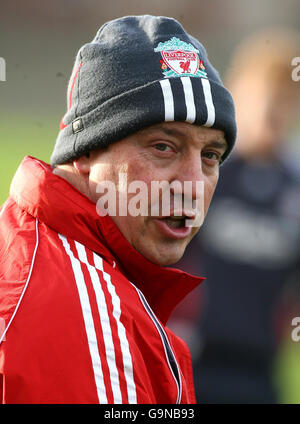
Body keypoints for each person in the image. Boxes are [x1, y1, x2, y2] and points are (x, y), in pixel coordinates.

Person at [0, 15, 236, 404]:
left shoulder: (27, 241)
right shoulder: (86, 315)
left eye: (211, 155)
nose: (192, 184)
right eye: (164, 146)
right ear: (87, 150)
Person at [173, 28, 300, 403]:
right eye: (262, 97)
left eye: (284, 100)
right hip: (190, 360)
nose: (270, 111)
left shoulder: (293, 187)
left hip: (259, 369)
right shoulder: (209, 173)